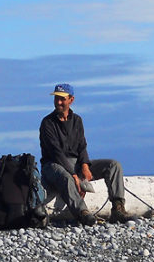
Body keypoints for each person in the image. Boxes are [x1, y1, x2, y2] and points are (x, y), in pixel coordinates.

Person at [39, 83, 129, 225]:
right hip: (53, 165)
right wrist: (74, 175)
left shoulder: (77, 121)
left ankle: (118, 208)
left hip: (76, 163)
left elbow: (82, 146)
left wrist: (85, 166)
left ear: (71, 100)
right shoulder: (47, 123)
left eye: (62, 99)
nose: (59, 102)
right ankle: (83, 213)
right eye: (56, 98)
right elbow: (56, 153)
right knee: (66, 177)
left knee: (114, 165)